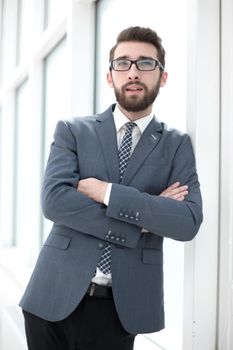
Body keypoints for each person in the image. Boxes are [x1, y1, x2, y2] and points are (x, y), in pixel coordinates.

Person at [20, 26, 203, 350]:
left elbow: (187, 222)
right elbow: (54, 202)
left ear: (162, 77)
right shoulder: (73, 131)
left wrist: (107, 193)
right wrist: (145, 215)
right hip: (52, 295)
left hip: (123, 308)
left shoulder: (176, 145)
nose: (133, 72)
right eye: (123, 63)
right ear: (110, 77)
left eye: (145, 63)